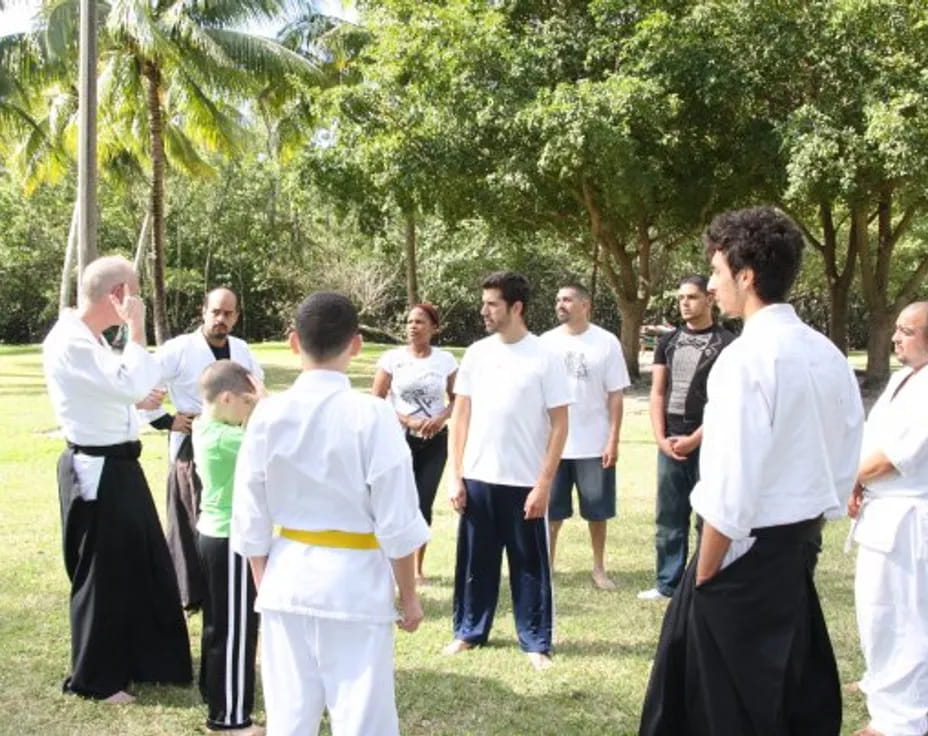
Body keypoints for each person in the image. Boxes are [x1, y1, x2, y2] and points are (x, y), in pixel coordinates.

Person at [638, 207, 864, 736]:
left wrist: (707, 575)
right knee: (781, 698)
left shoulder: (745, 359)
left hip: (738, 556)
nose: (711, 285)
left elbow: (729, 488)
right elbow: (845, 450)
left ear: (746, 275)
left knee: (716, 709)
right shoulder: (828, 353)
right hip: (797, 550)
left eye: (716, 272)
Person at [231, 292, 429, 736]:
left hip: (287, 579)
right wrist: (409, 596)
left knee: (289, 719)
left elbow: (249, 514)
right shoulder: (373, 416)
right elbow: (396, 520)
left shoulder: (268, 415)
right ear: (356, 345)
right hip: (353, 585)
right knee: (363, 719)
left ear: (293, 342)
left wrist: (266, 583)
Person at [43, 255, 192, 703]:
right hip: (98, 469)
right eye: (136, 291)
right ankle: (96, 677)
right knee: (103, 571)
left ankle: (153, 659)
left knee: (144, 563)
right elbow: (126, 382)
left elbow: (115, 391)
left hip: (120, 465)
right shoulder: (71, 341)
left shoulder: (90, 339)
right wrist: (138, 331)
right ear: (118, 296)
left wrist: (136, 400)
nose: (140, 300)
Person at [443, 271, 571, 670]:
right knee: (474, 563)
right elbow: (460, 416)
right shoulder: (478, 353)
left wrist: (543, 484)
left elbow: (560, 424)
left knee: (529, 565)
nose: (484, 311)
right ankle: (468, 631)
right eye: (484, 303)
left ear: (516, 307)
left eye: (492, 304)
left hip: (524, 482)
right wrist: (456, 474)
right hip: (479, 477)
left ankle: (535, 641)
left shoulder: (545, 356)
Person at [147, 287, 264, 611]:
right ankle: (190, 592)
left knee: (228, 508)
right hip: (194, 440)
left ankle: (222, 579)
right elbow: (144, 379)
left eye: (228, 313)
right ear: (203, 311)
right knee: (189, 512)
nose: (221, 319)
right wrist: (164, 419)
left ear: (237, 316)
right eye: (215, 312)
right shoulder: (180, 348)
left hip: (235, 440)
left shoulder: (241, 349)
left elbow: (257, 389)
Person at [848, 301, 928, 736]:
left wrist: (850, 480)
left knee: (904, 618)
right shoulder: (902, 379)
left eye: (907, 331)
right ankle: (883, 686)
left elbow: (897, 457)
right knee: (878, 613)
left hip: (910, 516)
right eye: (896, 329)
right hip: (883, 510)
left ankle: (900, 721)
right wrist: (857, 482)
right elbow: (871, 441)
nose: (896, 338)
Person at [637, 275, 734, 601]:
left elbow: (728, 403)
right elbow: (658, 392)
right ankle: (668, 584)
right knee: (669, 516)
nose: (684, 303)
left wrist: (695, 438)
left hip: (710, 441)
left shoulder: (729, 344)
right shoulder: (667, 343)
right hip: (671, 441)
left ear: (709, 299)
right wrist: (661, 437)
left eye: (691, 297)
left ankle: (704, 581)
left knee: (708, 515)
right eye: (680, 298)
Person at [192, 360, 264, 736]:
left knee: (219, 625)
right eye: (246, 404)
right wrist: (265, 407)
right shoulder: (228, 439)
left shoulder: (204, 426)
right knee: (237, 632)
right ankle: (230, 719)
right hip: (231, 540)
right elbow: (272, 443)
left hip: (212, 536)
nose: (249, 412)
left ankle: (214, 692)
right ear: (226, 397)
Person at [541, 283, 629, 590]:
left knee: (597, 511)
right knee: (550, 512)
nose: (560, 305)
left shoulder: (606, 342)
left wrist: (613, 439)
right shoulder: (545, 343)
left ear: (584, 304)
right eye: (557, 300)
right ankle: (546, 568)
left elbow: (615, 395)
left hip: (593, 442)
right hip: (553, 444)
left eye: (566, 299)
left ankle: (599, 568)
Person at [372, 303, 457, 583]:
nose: (412, 327)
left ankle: (417, 569)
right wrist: (407, 421)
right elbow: (377, 400)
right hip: (398, 441)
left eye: (420, 322)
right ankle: (388, 565)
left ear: (434, 327)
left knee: (423, 502)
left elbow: (458, 399)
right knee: (395, 501)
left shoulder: (445, 361)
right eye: (409, 322)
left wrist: (441, 418)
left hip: (434, 441)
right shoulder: (392, 358)